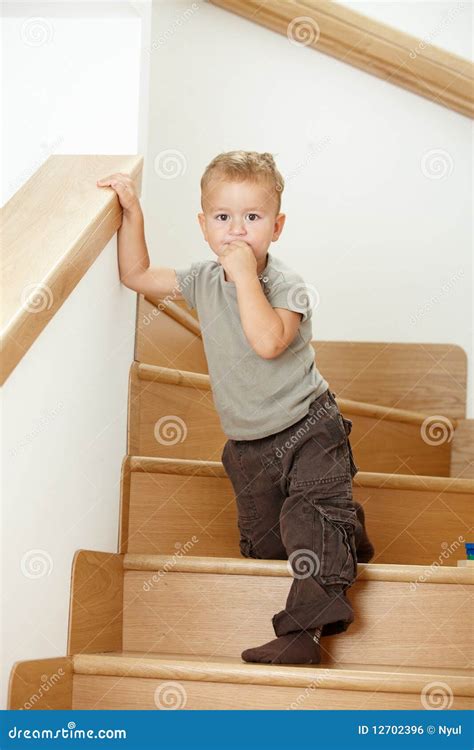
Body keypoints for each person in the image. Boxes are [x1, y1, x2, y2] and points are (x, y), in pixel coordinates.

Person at [97, 150, 374, 665]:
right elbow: (136, 275)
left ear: (277, 226)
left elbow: (268, 342)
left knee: (308, 523)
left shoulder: (286, 286)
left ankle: (303, 636)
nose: (237, 231)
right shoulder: (202, 279)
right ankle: (347, 529)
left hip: (309, 429)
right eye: (223, 218)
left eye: (253, 218)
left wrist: (246, 277)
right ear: (203, 226)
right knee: (268, 545)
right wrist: (133, 214)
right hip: (249, 445)